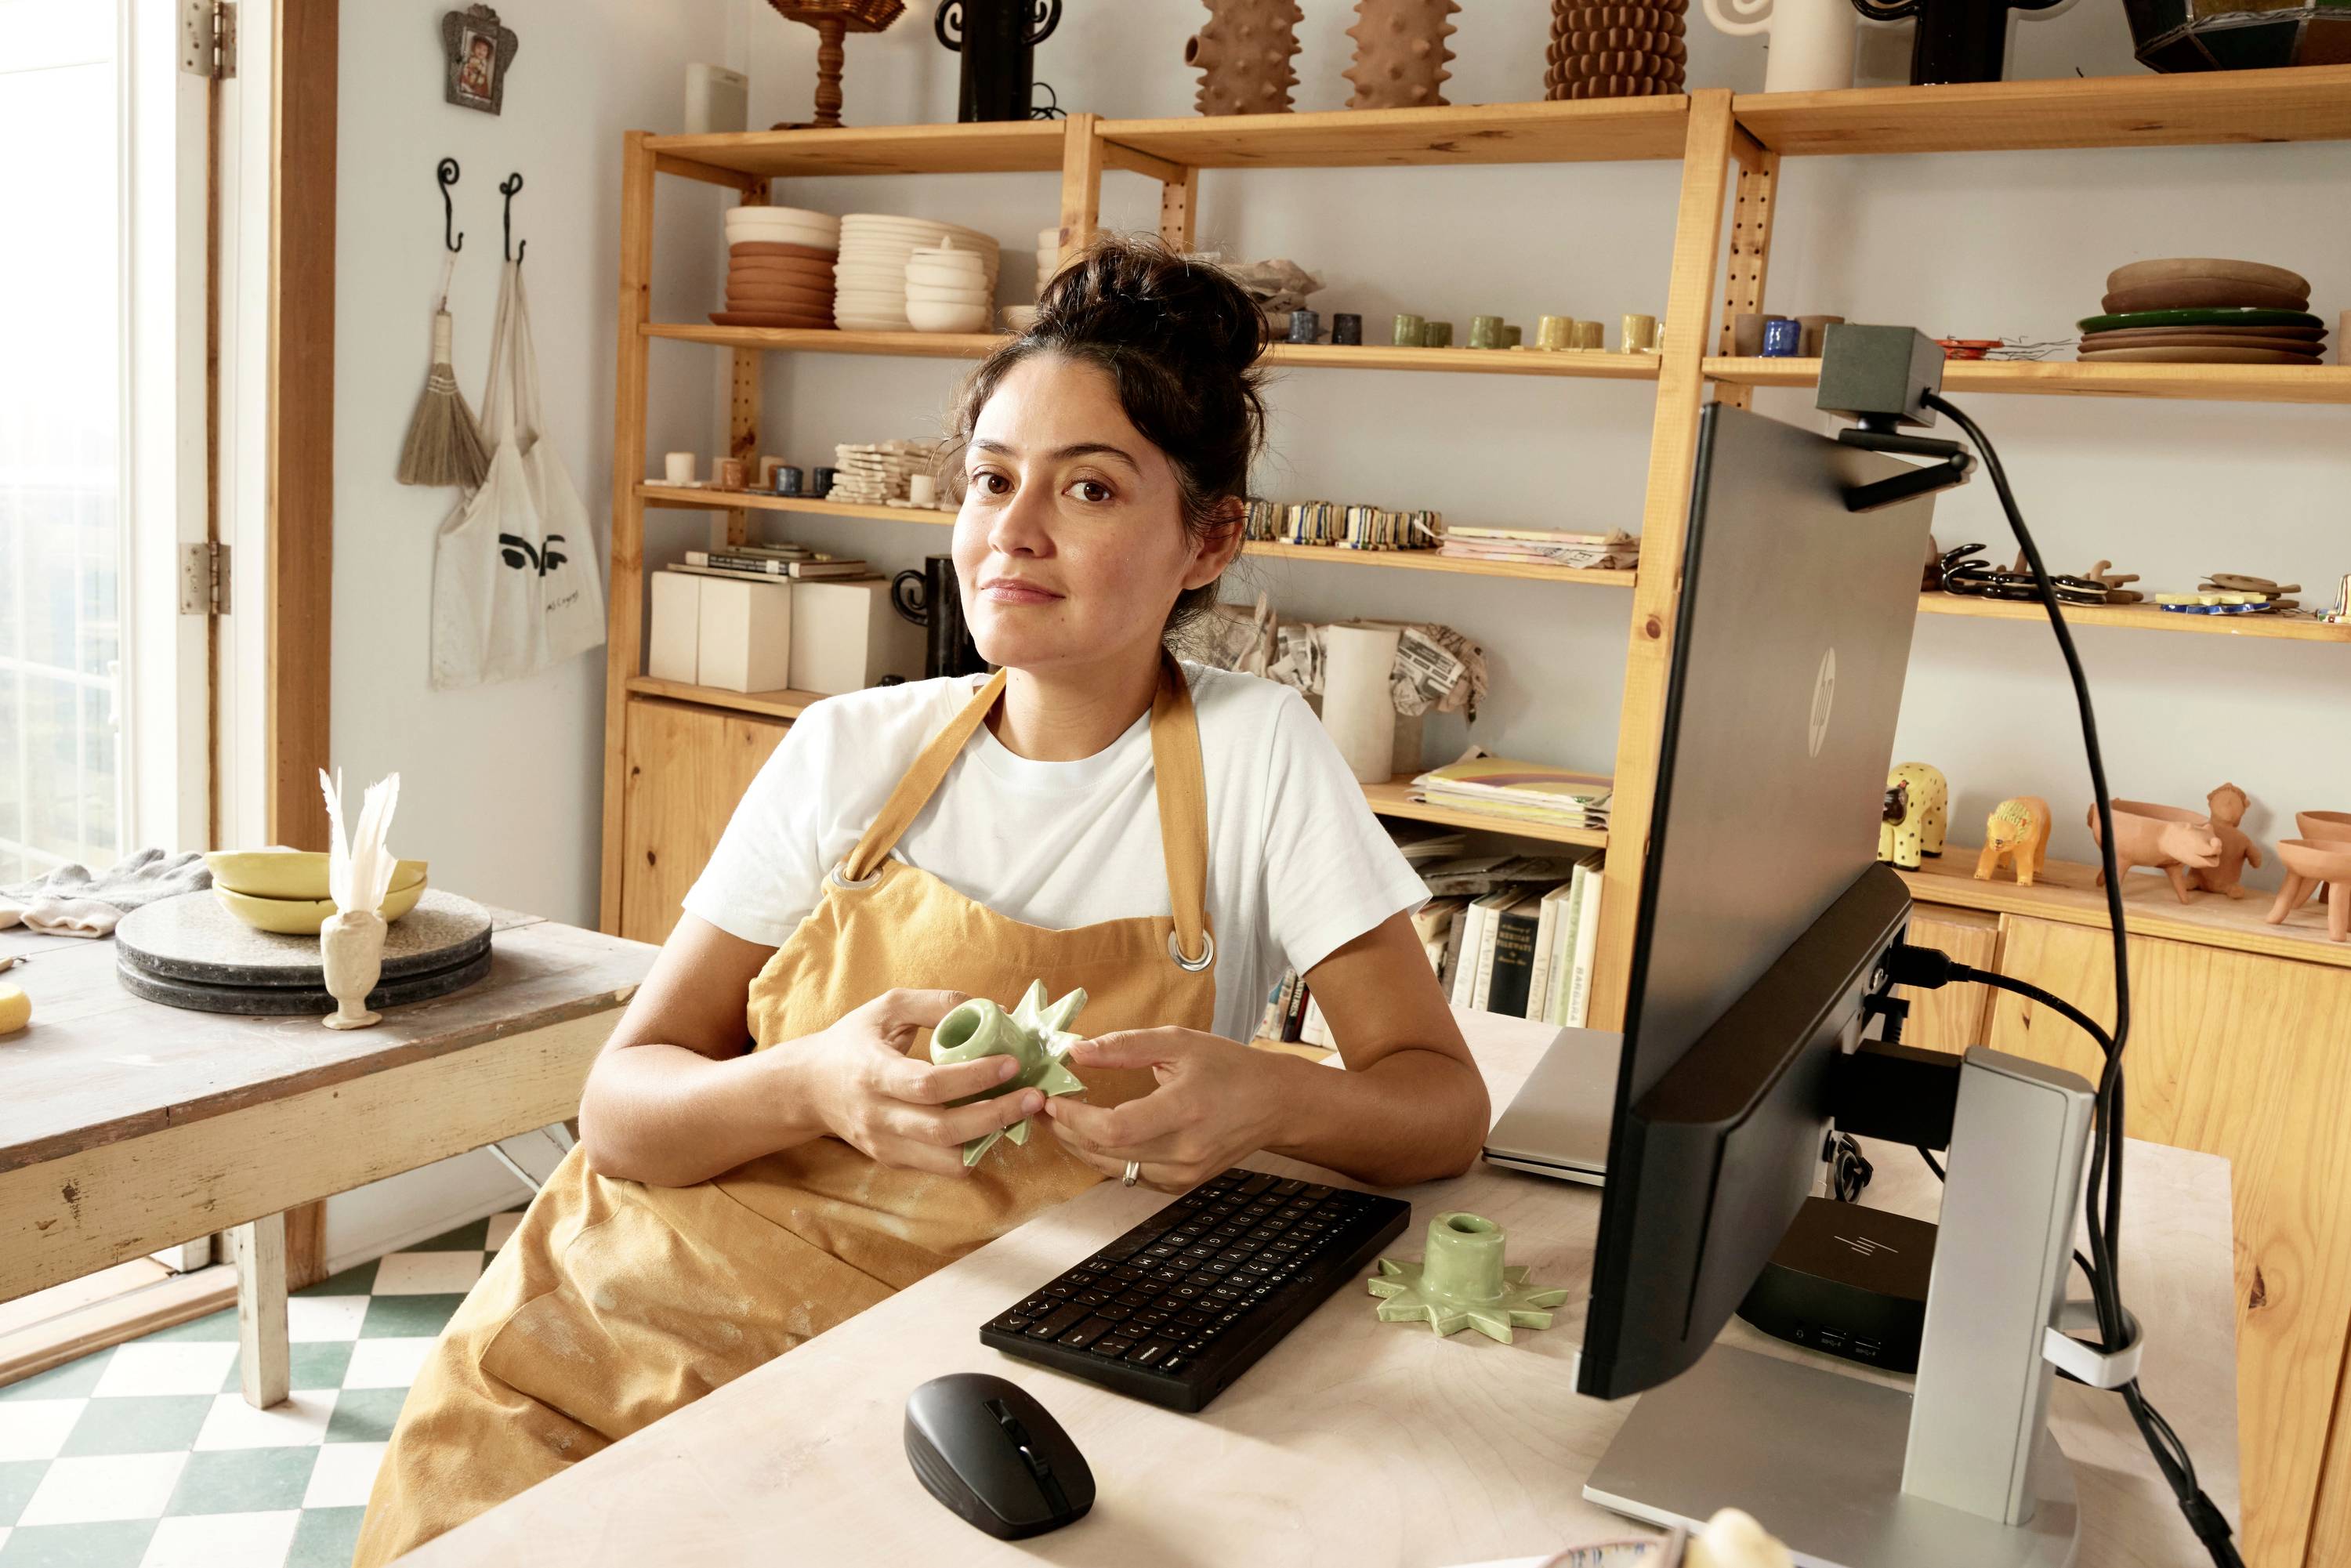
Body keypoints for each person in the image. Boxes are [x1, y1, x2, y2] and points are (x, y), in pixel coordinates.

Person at [352, 237, 1489, 1563]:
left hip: (976, 1361)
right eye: (992, 480)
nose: (1016, 528)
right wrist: (815, 1084)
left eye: (1092, 487)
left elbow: (1440, 1108)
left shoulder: (1256, 753)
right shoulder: (850, 748)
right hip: (635, 1308)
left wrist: (1270, 1092)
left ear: (1208, 537)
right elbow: (621, 1109)